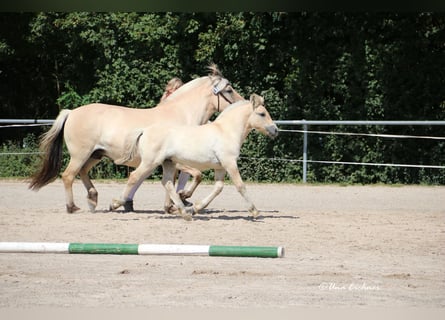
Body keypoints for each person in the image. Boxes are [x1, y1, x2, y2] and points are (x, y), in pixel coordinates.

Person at [159, 77, 191, 203]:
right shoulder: (168, 100)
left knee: (185, 167)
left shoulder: (178, 100)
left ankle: (179, 194)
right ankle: (177, 196)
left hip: (175, 136)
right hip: (168, 138)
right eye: (177, 88)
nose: (178, 91)